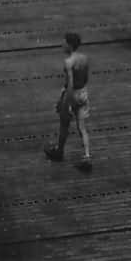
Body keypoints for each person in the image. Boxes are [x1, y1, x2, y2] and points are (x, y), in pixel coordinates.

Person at [44, 32, 92, 171]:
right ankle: (87, 156)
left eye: (64, 42)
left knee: (64, 125)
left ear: (70, 45)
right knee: (82, 127)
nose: (62, 44)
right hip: (83, 92)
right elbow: (86, 78)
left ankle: (59, 152)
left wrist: (64, 102)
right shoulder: (85, 58)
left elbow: (70, 84)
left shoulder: (68, 61)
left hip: (72, 95)